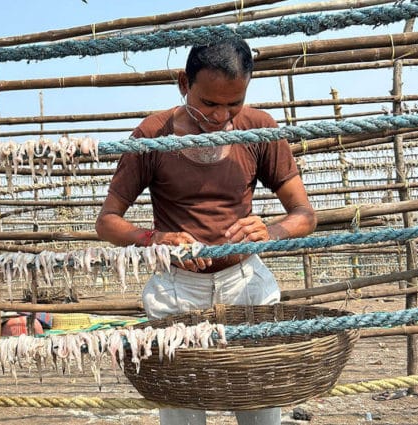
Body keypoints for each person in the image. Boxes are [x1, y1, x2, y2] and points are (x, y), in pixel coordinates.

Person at [95, 37, 316, 425]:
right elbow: (108, 221)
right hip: (177, 289)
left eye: (234, 103)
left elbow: (304, 214)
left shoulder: (259, 129)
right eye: (209, 103)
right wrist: (154, 238)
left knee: (259, 399)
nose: (220, 116)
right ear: (184, 83)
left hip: (245, 283)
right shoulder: (153, 135)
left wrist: (271, 232)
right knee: (181, 405)